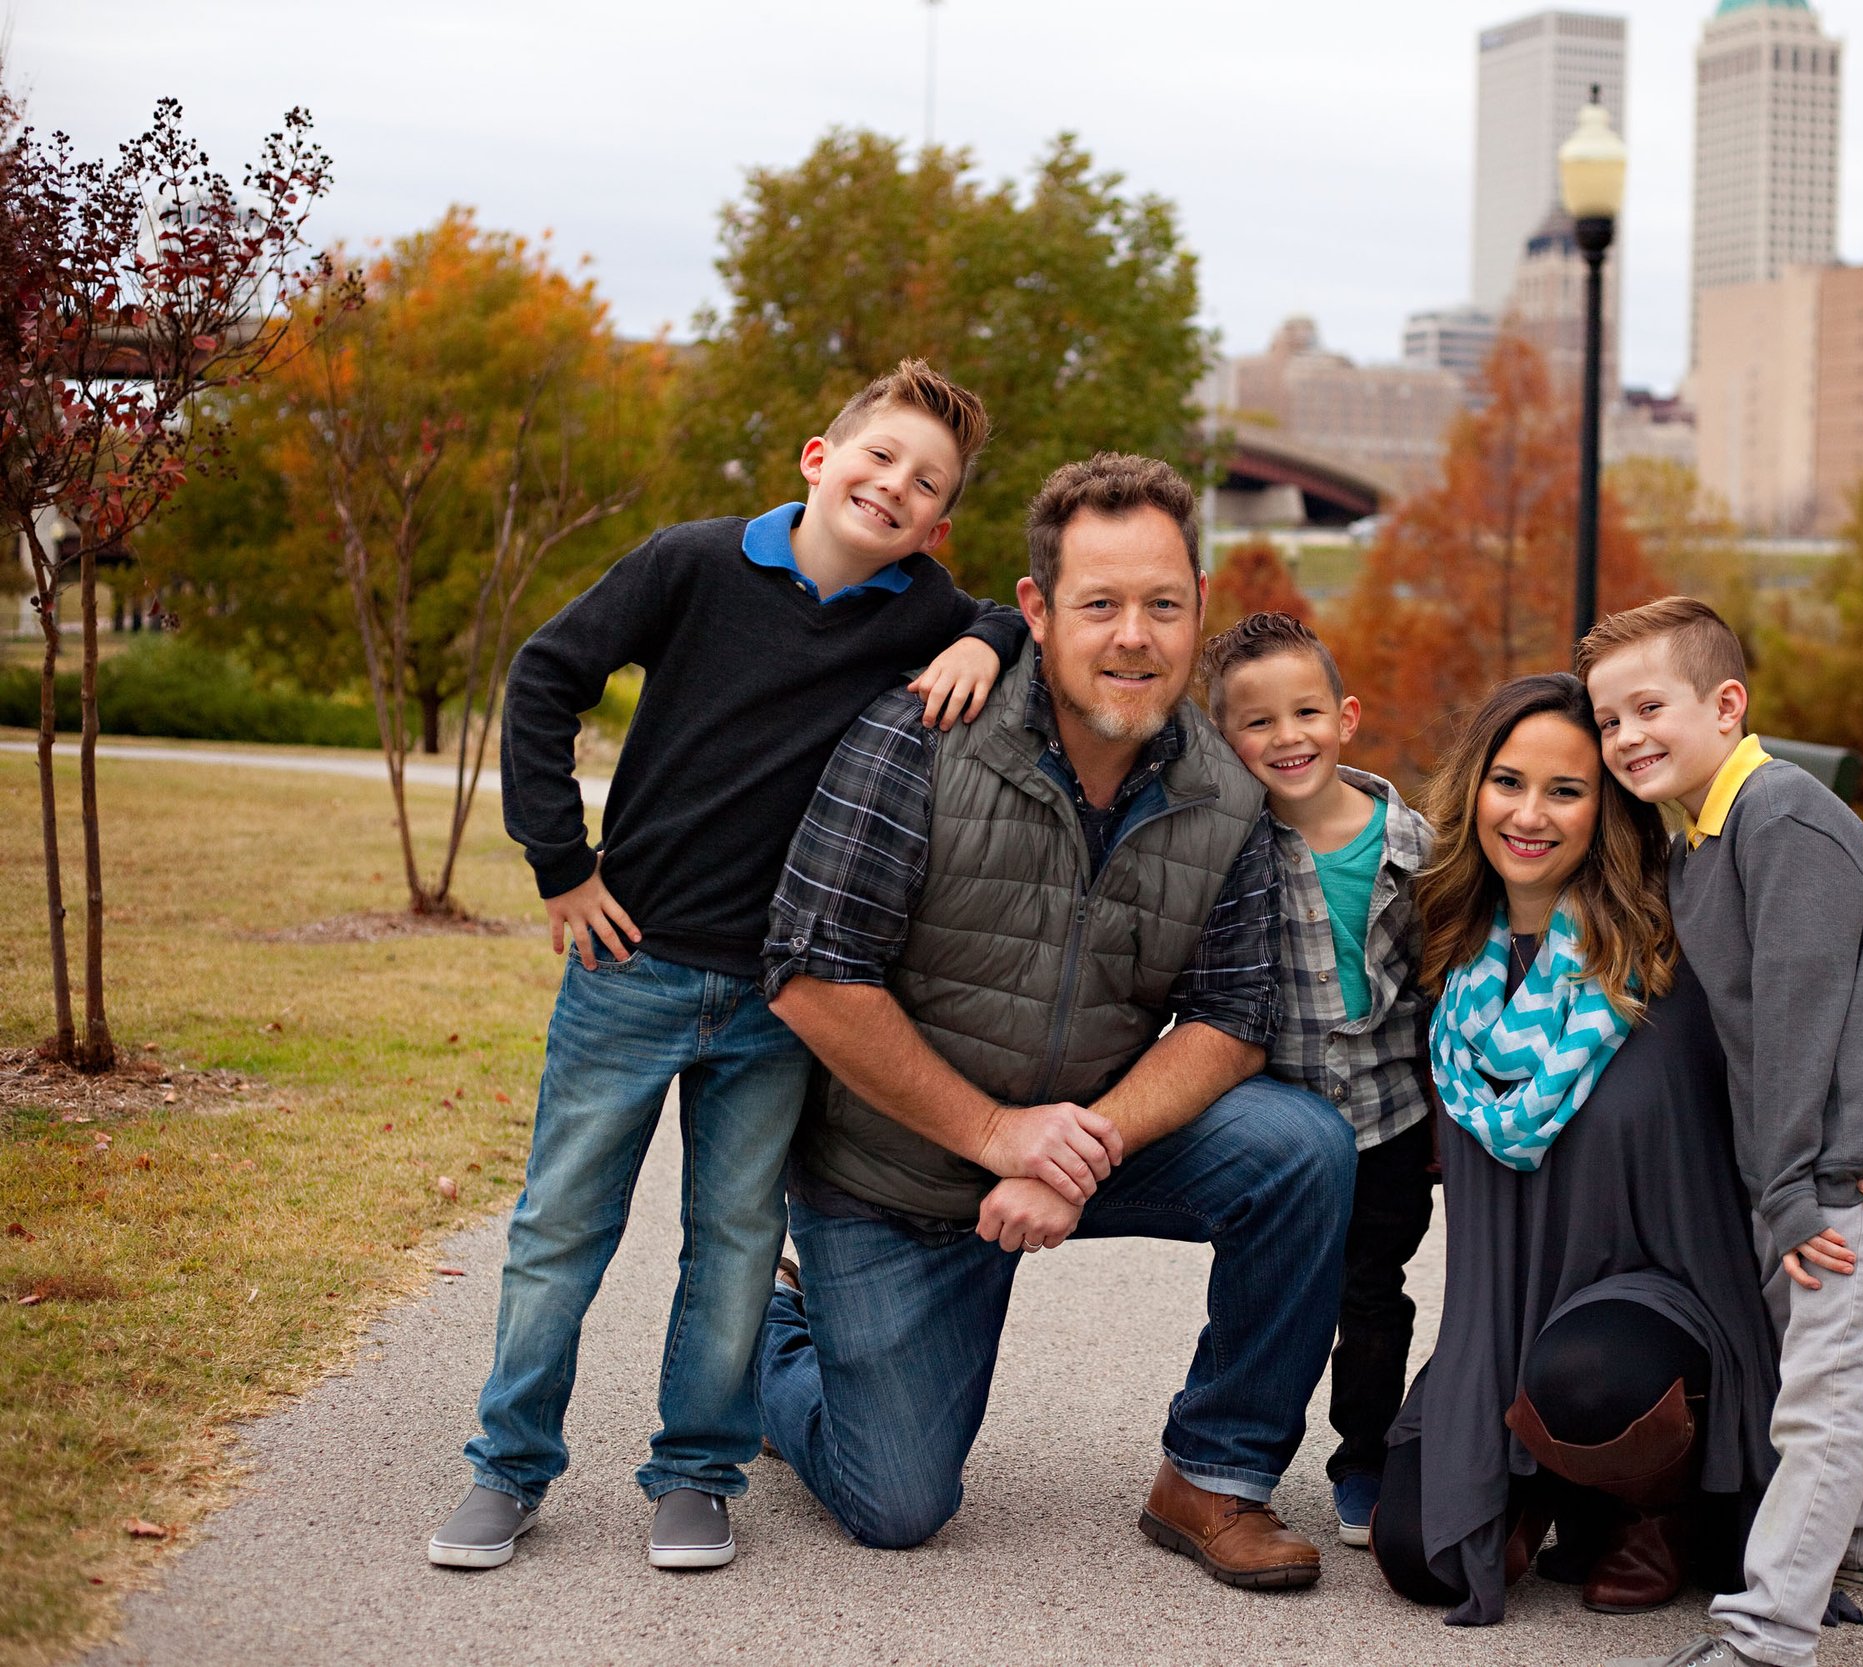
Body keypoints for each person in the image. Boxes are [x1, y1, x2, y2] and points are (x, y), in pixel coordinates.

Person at [427, 360, 1025, 1574]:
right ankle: (508, 1466)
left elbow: (1020, 610)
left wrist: (989, 633)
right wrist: (561, 863)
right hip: (629, 964)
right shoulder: (693, 561)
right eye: (879, 458)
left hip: (781, 997)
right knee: (561, 1226)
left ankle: (695, 1471)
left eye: (926, 483)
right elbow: (546, 675)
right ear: (819, 455)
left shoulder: (921, 612)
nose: (894, 486)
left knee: (738, 1237)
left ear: (939, 525)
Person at [755, 453, 1358, 1591]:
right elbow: (809, 972)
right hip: (899, 1170)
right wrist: (995, 1135)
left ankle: (1213, 1476)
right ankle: (770, 1341)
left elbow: (1232, 1017)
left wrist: (1076, 1151)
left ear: (1196, 604)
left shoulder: (1227, 793)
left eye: (1163, 604)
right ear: (1034, 609)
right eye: (1100, 604)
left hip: (1084, 1137)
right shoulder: (920, 739)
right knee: (896, 1501)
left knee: (1301, 1150)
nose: (1134, 635)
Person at [1369, 673, 1784, 1627]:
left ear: (1610, 809)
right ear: (1473, 786)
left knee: (1587, 1377)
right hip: (1502, 1321)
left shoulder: (1670, 956)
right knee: (1416, 1552)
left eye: (1566, 790)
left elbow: (1808, 1045)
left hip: (1658, 1304)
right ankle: (1561, 1478)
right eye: (1508, 781)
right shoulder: (1451, 964)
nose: (1529, 814)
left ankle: (1661, 1501)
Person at [1581, 596, 1863, 1667]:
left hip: (1840, 1167)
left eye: (1649, 706)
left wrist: (1786, 1188)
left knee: (1820, 1395)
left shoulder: (1780, 819)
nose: (1626, 736)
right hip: (1801, 1165)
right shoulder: (1700, 837)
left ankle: (1767, 1635)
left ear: (1726, 702)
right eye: (1609, 720)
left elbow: (1802, 1023)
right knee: (1806, 1363)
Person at [1201, 611, 1437, 1551]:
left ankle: (1365, 1458)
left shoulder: (1415, 847)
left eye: (1305, 712)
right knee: (1270, 1285)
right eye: (1257, 722)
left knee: (1373, 1295)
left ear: (1345, 716)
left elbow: (1437, 983)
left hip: (1389, 1120)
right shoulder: (1231, 848)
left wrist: (1447, 1123)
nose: (1285, 736)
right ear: (1226, 740)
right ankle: (1232, 1452)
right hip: (1285, 1124)